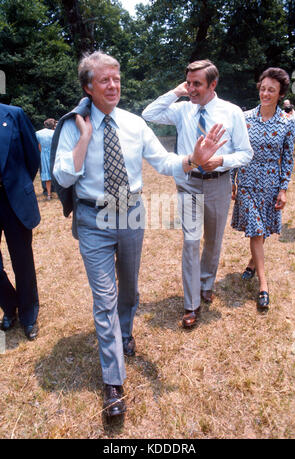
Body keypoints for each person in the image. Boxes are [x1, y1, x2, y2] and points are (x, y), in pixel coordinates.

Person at [52, 51, 226, 417]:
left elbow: (163, 162)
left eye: (116, 78)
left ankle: (125, 331)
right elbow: (64, 178)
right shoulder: (72, 125)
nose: (113, 85)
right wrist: (84, 136)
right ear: (88, 86)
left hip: (130, 214)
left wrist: (192, 159)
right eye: (104, 80)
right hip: (93, 219)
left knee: (128, 289)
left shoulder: (133, 123)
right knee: (105, 299)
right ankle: (114, 384)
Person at [142, 59, 253, 328]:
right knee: (191, 240)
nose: (191, 89)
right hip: (188, 183)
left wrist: (221, 162)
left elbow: (245, 153)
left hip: (218, 183)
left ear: (213, 85)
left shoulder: (232, 112)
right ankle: (191, 303)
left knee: (213, 240)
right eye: (188, 83)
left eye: (197, 84)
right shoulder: (182, 110)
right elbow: (148, 113)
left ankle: (206, 283)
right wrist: (177, 92)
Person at [231, 68, 295, 311]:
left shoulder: (287, 124)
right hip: (247, 180)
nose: (265, 93)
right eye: (263, 88)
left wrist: (283, 189)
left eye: (272, 90)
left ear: (280, 95)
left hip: (270, 184)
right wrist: (232, 181)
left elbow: (287, 159)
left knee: (263, 229)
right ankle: (263, 285)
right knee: (256, 230)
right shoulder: (245, 118)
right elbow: (235, 151)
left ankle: (251, 264)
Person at [0, 103, 40, 340]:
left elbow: (32, 156)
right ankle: (9, 304)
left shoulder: (13, 115)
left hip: (14, 198)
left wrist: (19, 185)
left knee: (22, 260)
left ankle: (28, 315)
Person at [36, 118, 56, 200]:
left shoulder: (38, 133)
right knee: (56, 173)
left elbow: (38, 145)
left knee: (46, 174)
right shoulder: (54, 133)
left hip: (43, 154)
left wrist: (42, 152)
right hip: (53, 154)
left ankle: (48, 194)